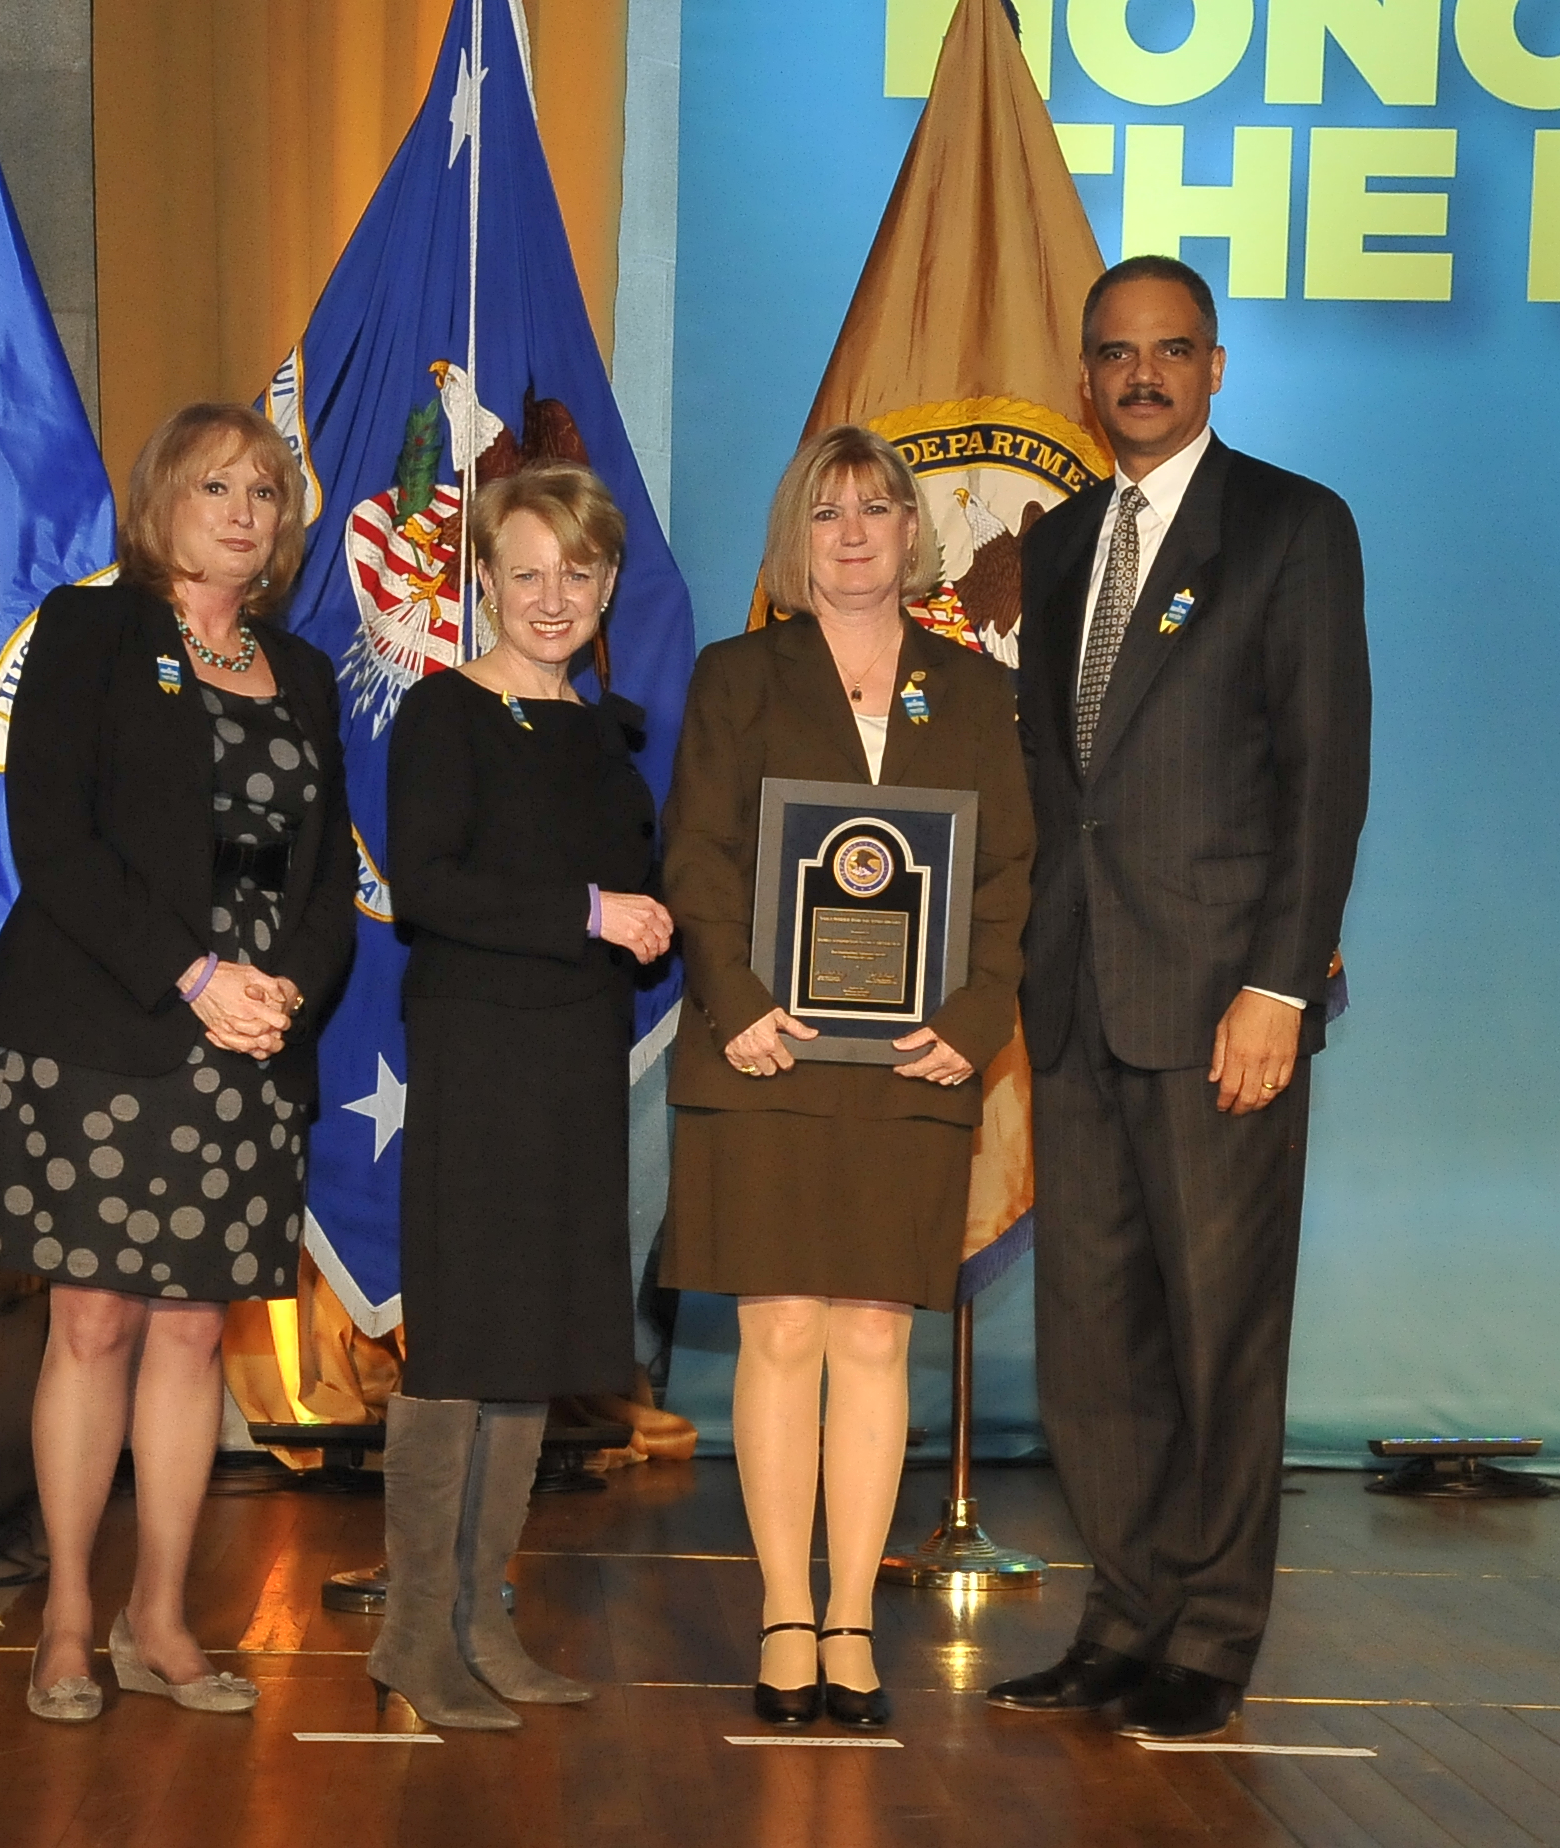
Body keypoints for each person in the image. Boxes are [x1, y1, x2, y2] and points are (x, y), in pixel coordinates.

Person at [986, 255, 1371, 1741]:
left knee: (1220, 1335)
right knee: (1095, 1342)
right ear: (1086, 381)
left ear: (1218, 368)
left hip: (1226, 1008)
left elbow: (1323, 777)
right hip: (1079, 999)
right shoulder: (1066, 536)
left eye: (1171, 350)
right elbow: (1051, 786)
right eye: (1115, 354)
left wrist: (1279, 981)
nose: (1141, 375)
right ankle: (1125, 1616)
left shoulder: (1292, 526)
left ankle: (1209, 1634)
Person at [0, 402, 355, 1723]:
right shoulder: (92, 632)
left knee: (194, 1331)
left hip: (251, 1043)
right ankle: (69, 1619)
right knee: (95, 1320)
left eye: (264, 492)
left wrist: (283, 992)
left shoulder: (301, 674)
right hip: (104, 1027)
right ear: (160, 504)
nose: (243, 511)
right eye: (214, 487)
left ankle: (162, 1620)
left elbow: (324, 875)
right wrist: (191, 978)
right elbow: (54, 842)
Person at [659, 426, 1034, 1730]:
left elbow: (1005, 883)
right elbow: (697, 855)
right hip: (763, 1052)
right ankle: (780, 1611)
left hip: (917, 1059)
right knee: (780, 1329)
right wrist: (743, 1003)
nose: (857, 532)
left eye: (880, 508)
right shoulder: (737, 676)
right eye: (829, 513)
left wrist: (979, 1019)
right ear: (793, 538)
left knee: (874, 1334)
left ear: (914, 536)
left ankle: (853, 1622)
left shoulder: (976, 696)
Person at [368, 462, 674, 1730]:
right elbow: (429, 887)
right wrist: (593, 913)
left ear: (608, 585)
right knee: (461, 1346)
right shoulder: (443, 715)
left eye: (580, 572)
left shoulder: (606, 731)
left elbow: (646, 900)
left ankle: (481, 1618)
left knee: (531, 1344)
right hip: (481, 1057)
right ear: (481, 582)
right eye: (528, 572)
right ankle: (410, 1635)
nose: (555, 597)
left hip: (572, 1060)